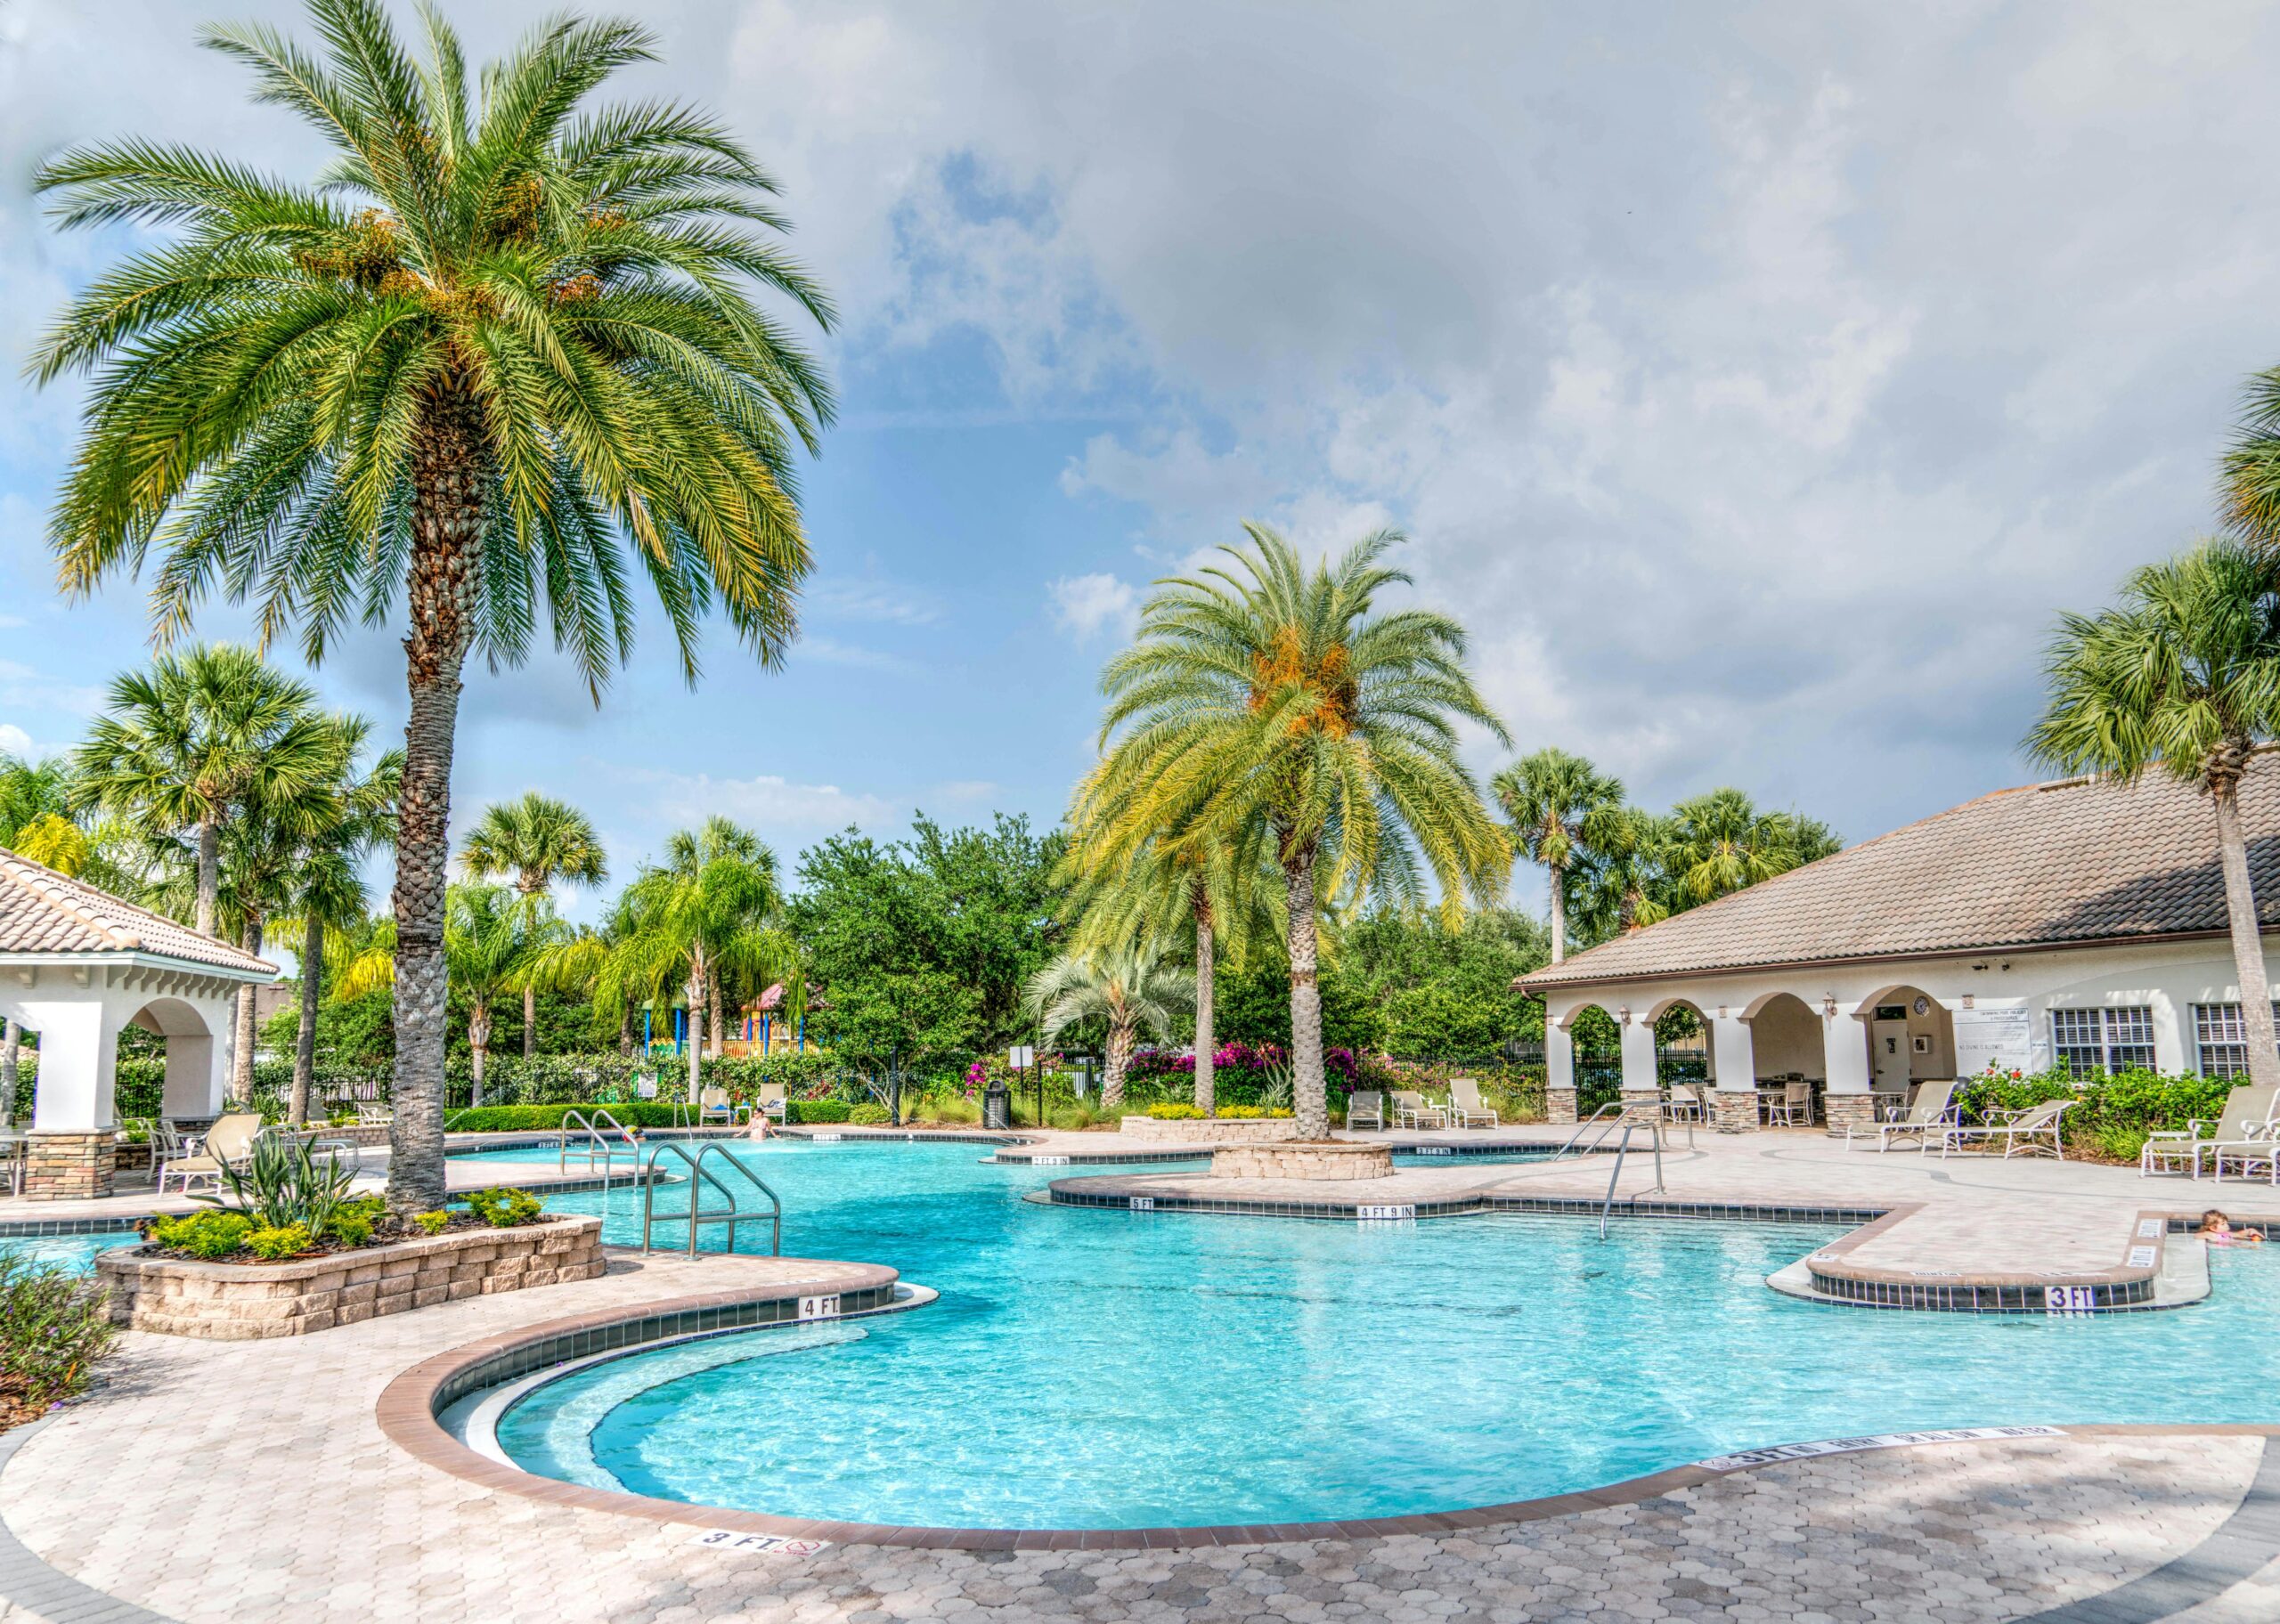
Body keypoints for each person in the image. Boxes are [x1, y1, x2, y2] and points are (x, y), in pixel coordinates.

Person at [2201, 1210, 2265, 1246]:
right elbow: (2198, 1235)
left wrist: (2251, 1231)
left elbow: (2240, 1234)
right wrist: (2211, 1236)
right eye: (2223, 1224)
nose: (2227, 1225)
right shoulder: (2210, 1235)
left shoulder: (2226, 1234)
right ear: (2213, 1228)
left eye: (2226, 1223)